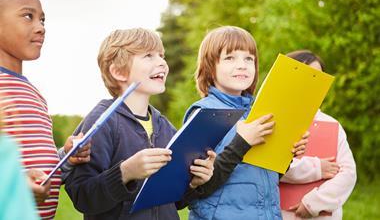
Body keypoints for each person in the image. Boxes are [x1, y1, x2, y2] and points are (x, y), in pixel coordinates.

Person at [64, 28, 219, 220]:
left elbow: (176, 201)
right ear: (119, 72)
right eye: (148, 56)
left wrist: (194, 183)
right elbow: (82, 197)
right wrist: (125, 172)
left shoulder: (165, 126)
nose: (162, 62)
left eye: (162, 56)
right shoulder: (102, 122)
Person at [182, 26, 308, 220]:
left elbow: (264, 177)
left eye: (249, 59)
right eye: (230, 58)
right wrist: (242, 142)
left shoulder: (261, 112)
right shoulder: (204, 113)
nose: (242, 65)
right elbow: (196, 190)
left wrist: (287, 154)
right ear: (210, 67)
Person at [0, 0, 91, 219]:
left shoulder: (34, 94)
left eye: (42, 19)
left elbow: (42, 165)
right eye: (28, 16)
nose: (41, 27)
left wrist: (67, 158)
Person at [280, 50, 357, 219]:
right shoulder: (274, 121)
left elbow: (348, 173)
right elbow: (273, 167)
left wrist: (314, 203)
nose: (313, 83)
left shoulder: (332, 124)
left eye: (318, 77)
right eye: (307, 76)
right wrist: (317, 168)